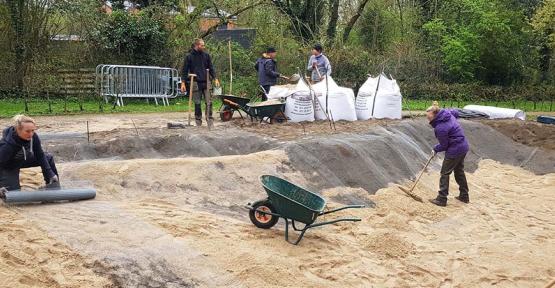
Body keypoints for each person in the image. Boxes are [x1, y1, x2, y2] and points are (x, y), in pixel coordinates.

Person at [427, 102, 470, 207]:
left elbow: (444, 145)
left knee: (445, 173)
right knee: (459, 171)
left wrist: (435, 149)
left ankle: (442, 199)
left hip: (454, 150)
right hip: (463, 146)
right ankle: (464, 196)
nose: (427, 118)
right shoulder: (447, 113)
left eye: (428, 116)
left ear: (435, 114)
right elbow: (455, 112)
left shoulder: (440, 128)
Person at [0, 115, 59, 191]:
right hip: (9, 165)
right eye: (27, 131)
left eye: (33, 130)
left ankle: (54, 187)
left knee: (48, 157)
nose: (31, 134)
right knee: (12, 195)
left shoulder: (33, 136)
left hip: (24, 159)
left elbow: (40, 155)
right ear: (18, 130)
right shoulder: (7, 146)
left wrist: (50, 174)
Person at [181, 38, 220, 126]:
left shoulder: (206, 56)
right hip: (195, 82)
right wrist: (183, 83)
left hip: (206, 81)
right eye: (202, 45)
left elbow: (211, 68)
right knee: (197, 103)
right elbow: (184, 71)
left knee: (209, 102)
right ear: (197, 45)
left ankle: (209, 120)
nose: (204, 47)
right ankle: (198, 121)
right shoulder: (189, 56)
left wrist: (215, 78)